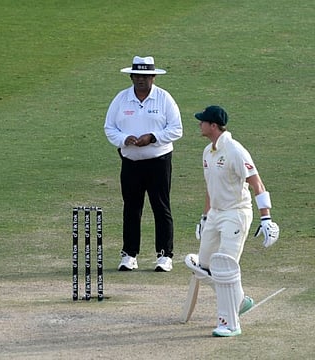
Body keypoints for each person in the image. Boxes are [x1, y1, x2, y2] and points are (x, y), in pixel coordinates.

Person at [186, 105, 279, 336]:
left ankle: (229, 323)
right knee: (204, 267)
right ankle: (239, 301)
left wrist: (266, 218)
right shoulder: (208, 152)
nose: (200, 124)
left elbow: (257, 183)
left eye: (203, 121)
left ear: (213, 125)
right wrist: (205, 217)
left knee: (224, 266)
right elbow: (210, 187)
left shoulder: (236, 151)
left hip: (236, 213)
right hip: (216, 214)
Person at [104, 56, 183, 272]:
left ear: (153, 77)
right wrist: (124, 139)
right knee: (131, 208)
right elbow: (109, 127)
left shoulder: (164, 98)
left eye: (145, 76)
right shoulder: (121, 99)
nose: (141, 79)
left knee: (161, 207)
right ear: (131, 76)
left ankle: (165, 255)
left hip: (159, 161)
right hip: (131, 162)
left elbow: (176, 129)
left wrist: (153, 137)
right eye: (137, 75)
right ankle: (129, 254)